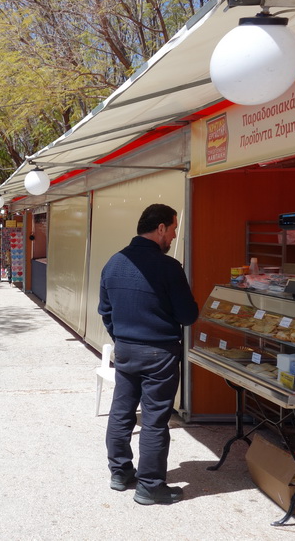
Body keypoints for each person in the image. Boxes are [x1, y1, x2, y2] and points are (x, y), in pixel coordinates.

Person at [98, 204, 198, 506]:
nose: (175, 235)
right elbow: (188, 315)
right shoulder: (168, 267)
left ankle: (120, 473)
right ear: (161, 229)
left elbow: (105, 311)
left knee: (121, 412)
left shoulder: (114, 262)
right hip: (160, 353)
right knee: (154, 421)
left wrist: (122, 339)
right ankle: (150, 486)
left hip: (126, 350)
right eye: (174, 228)